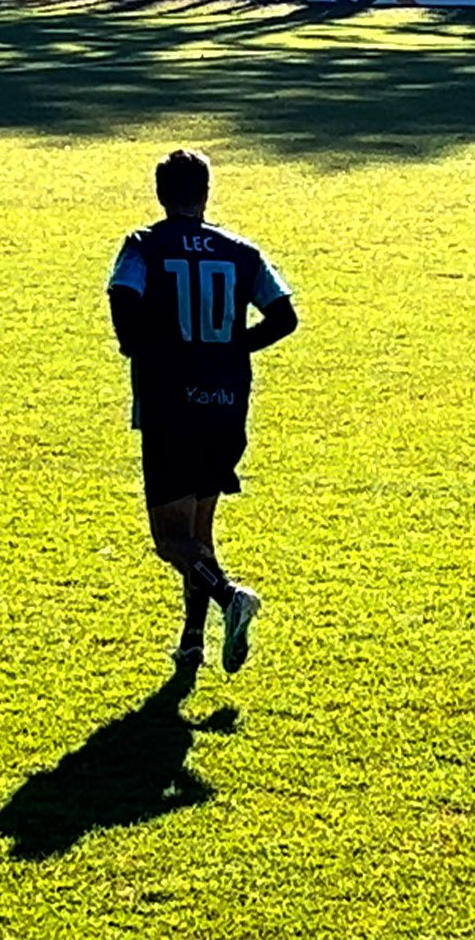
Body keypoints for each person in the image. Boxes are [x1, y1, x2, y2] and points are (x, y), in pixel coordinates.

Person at [107, 150, 298, 673]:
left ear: (161, 194)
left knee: (171, 540)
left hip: (171, 407)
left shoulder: (144, 245)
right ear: (206, 193)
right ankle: (192, 642)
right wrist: (234, 347)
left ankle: (231, 597)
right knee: (198, 535)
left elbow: (122, 296)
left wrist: (137, 344)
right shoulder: (240, 250)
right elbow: (285, 316)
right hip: (225, 406)